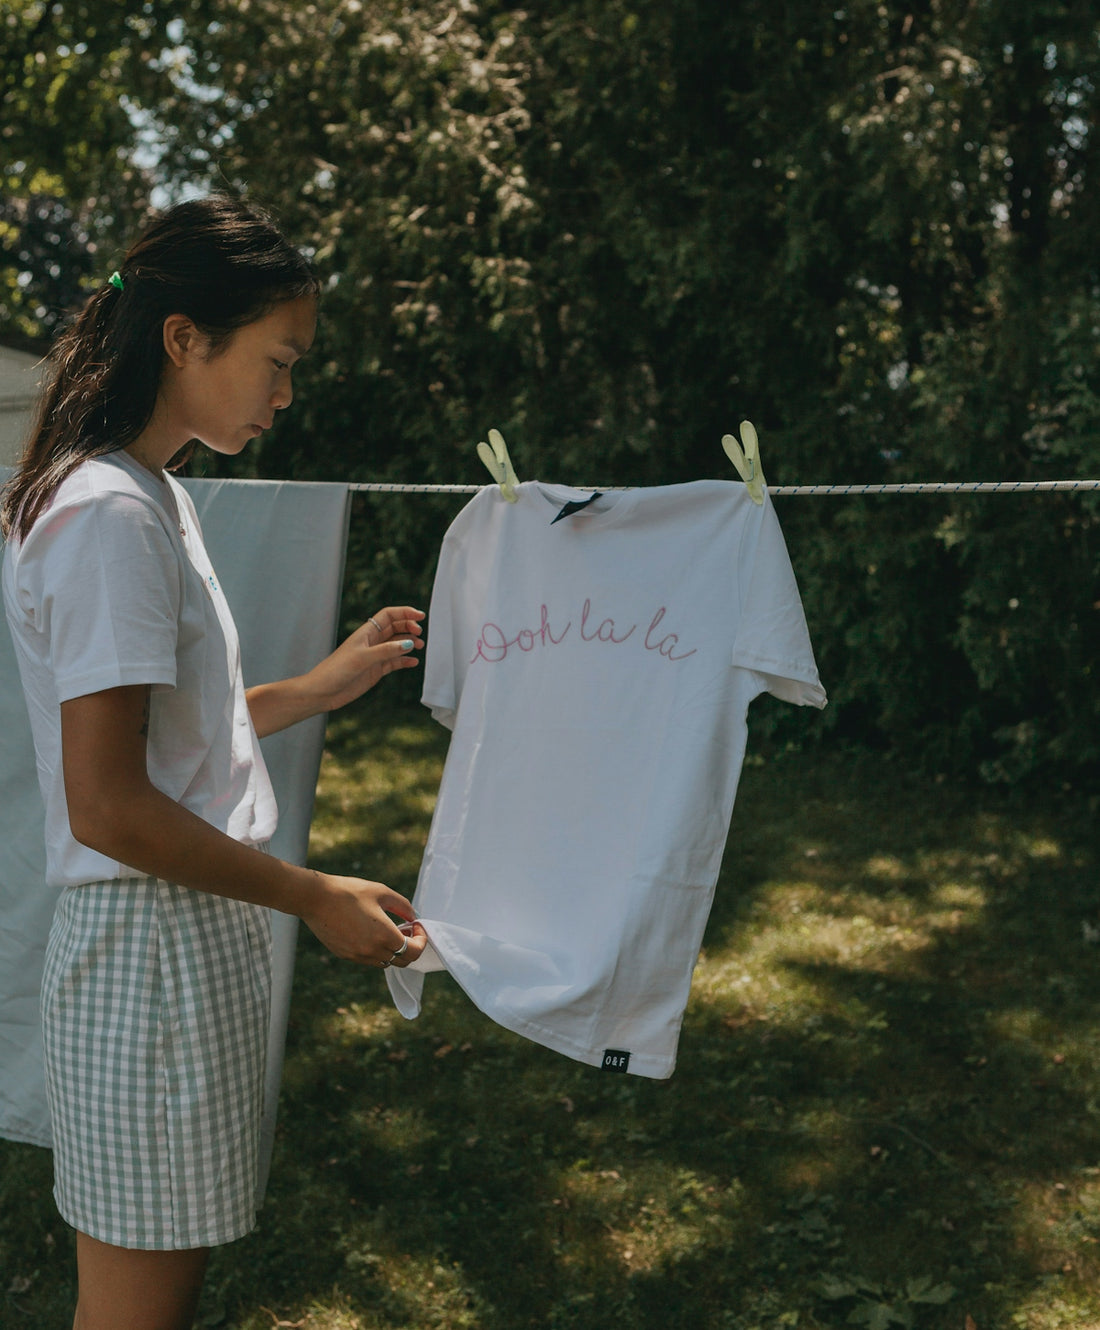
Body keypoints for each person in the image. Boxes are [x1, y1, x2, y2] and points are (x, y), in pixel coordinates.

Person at [0, 194, 428, 1330]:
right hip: (152, 948)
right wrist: (310, 893)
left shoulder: (151, 494)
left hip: (178, 934)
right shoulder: (107, 516)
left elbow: (161, 734)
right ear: (184, 337)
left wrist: (321, 684)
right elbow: (108, 803)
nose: (288, 393)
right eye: (278, 360)